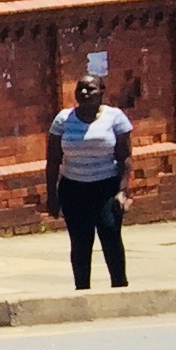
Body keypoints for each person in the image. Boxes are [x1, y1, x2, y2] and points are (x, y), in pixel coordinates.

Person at [44, 74, 132, 292]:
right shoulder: (63, 119)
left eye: (90, 89)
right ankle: (82, 290)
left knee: (110, 234)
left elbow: (125, 158)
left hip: (105, 187)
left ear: (101, 91)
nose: (84, 93)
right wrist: (52, 196)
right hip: (73, 188)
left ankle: (120, 286)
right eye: (80, 89)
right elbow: (53, 160)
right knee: (81, 241)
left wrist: (123, 191)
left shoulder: (115, 117)